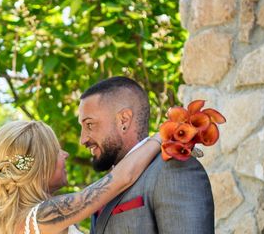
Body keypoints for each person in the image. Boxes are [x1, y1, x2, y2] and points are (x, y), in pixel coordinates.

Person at [78, 77, 214, 233]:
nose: (83, 139)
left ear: (124, 120)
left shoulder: (173, 168)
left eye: (89, 124)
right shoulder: (108, 183)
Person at [0, 119, 162, 234]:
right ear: (41, 164)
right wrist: (161, 137)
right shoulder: (41, 216)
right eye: (56, 150)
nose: (65, 154)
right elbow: (123, 178)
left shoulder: (24, 220)